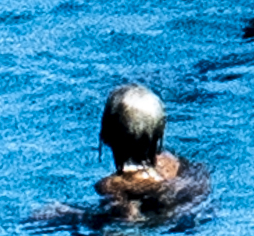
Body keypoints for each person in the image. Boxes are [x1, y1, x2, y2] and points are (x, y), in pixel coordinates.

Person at [88, 84, 207, 224]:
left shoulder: (112, 185)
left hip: (155, 222)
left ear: (106, 135)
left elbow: (127, 220)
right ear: (159, 134)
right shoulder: (171, 162)